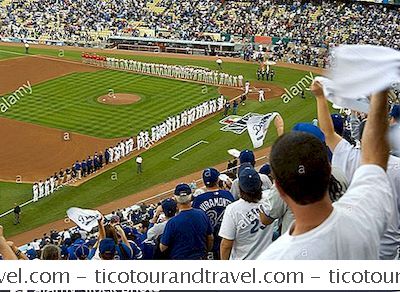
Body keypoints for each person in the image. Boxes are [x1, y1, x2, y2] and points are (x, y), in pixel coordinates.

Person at [259, 89, 395, 259]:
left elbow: (374, 158)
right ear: (328, 169)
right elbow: (375, 157)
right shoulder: (363, 209)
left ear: (279, 188)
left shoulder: (274, 260)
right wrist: (379, 89)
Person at [312, 82, 400, 260]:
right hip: (385, 251)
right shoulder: (397, 166)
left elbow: (327, 132)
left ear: (360, 138)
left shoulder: (347, 154)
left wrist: (320, 97)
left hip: (348, 244)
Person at [219, 167, 274, 260]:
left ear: (240, 187)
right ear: (260, 184)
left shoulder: (232, 209)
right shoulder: (270, 198)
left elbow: (226, 245)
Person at [160, 184, 214, 260]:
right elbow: (210, 238)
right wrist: (206, 252)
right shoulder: (201, 214)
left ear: (175, 198)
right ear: (191, 196)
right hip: (201, 257)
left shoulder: (172, 222)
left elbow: (163, 247)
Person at [192, 168, 234, 259]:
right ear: (218, 180)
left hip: (209, 246)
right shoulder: (227, 195)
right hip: (229, 241)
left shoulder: (198, 200)